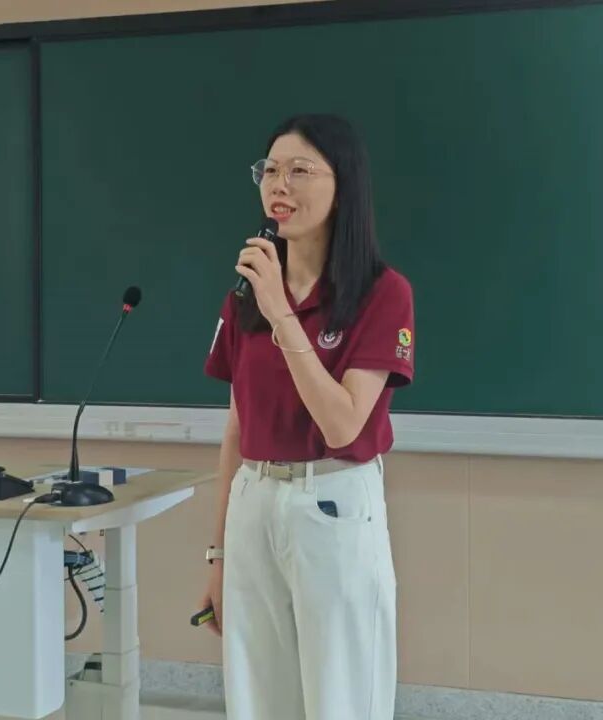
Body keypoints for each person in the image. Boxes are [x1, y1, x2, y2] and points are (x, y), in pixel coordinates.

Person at [199, 113, 415, 720]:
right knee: (257, 700)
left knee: (340, 698)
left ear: (343, 185)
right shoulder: (247, 294)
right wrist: (218, 555)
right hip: (253, 504)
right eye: (269, 170)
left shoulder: (382, 293)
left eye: (299, 170)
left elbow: (343, 425)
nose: (279, 185)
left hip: (332, 503)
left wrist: (282, 314)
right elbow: (237, 428)